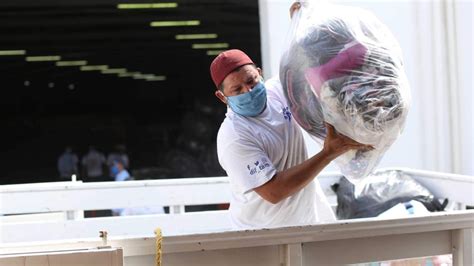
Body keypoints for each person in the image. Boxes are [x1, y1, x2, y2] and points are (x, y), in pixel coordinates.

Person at [210, 5, 372, 228]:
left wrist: (300, 21)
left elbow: (308, 62)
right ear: (222, 97)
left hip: (307, 220)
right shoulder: (234, 137)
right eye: (237, 90)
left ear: (260, 72)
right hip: (263, 237)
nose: (248, 91)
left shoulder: (279, 91)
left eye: (251, 81)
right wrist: (328, 153)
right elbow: (274, 191)